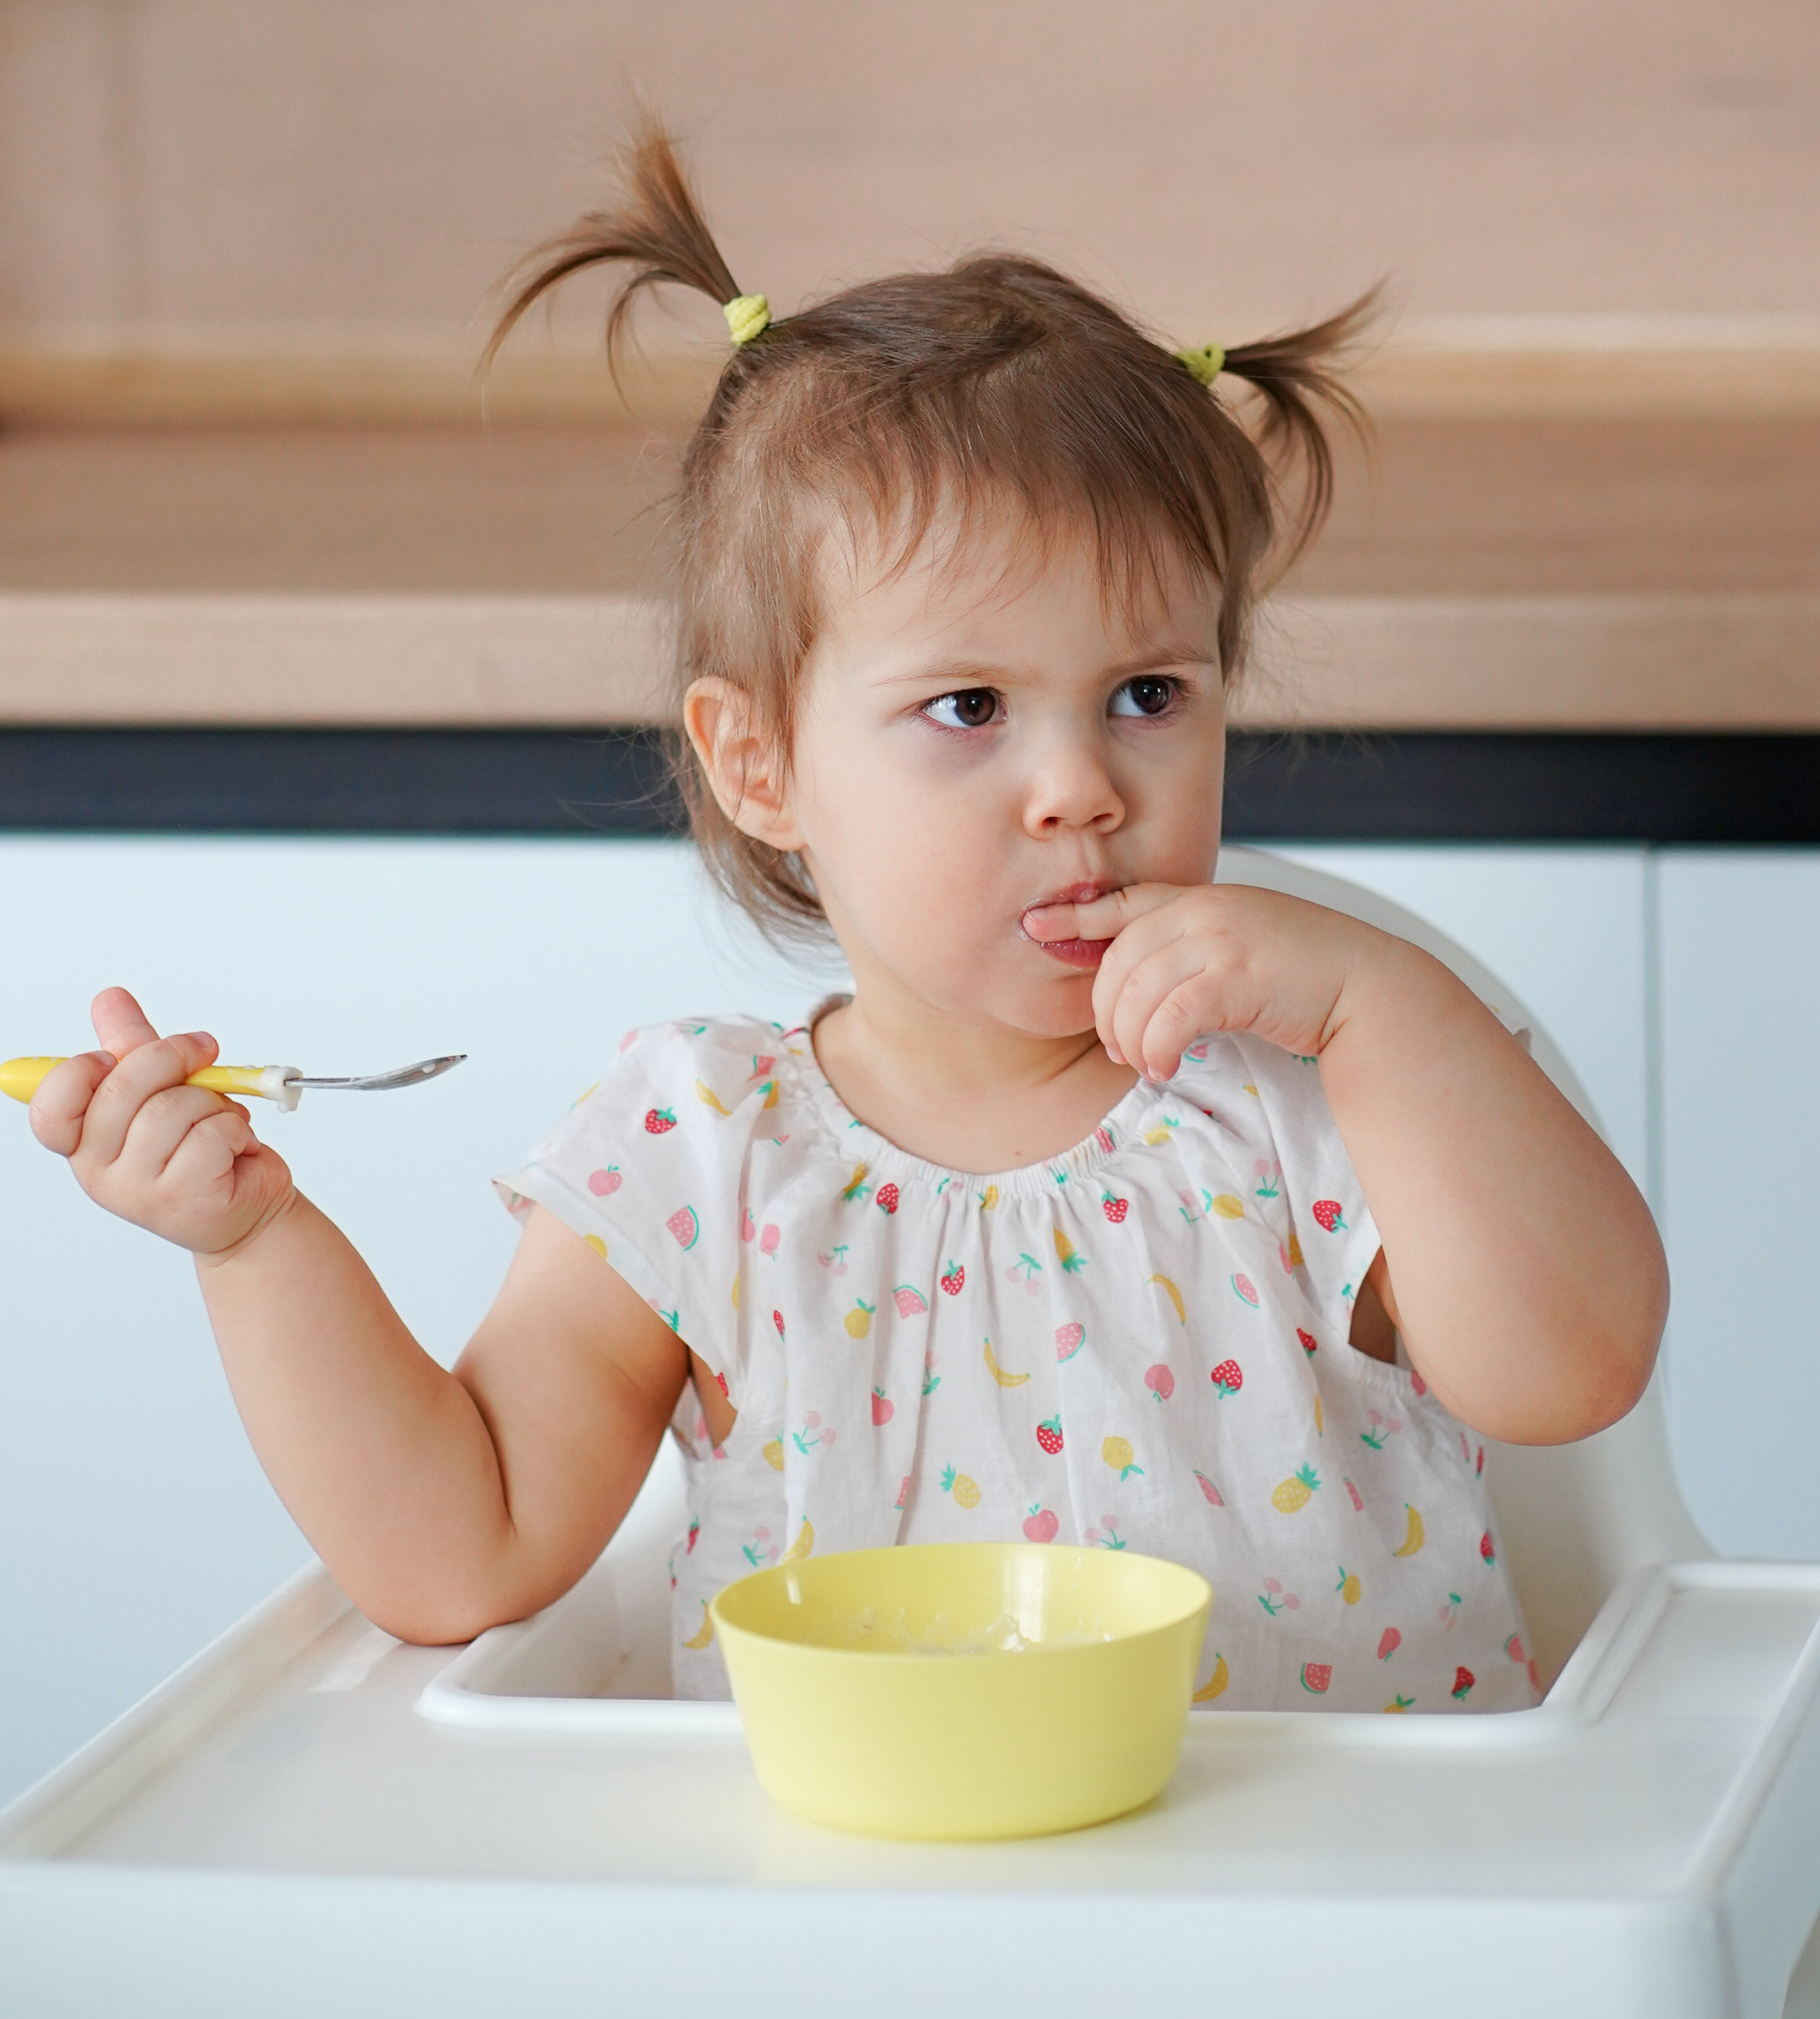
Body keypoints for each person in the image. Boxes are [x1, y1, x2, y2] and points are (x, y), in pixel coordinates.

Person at [27, 123, 1666, 1712]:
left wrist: (1389, 1016)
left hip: (1337, 1924)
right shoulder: (697, 1149)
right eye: (967, 707)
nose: (1078, 787)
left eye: (1146, 692)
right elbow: (465, 1555)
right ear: (760, 764)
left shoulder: (1312, 1092)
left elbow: (1567, 1373)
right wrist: (252, 1246)